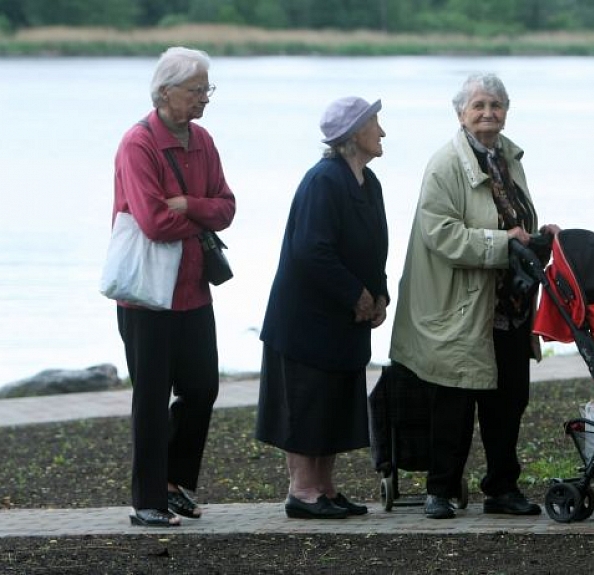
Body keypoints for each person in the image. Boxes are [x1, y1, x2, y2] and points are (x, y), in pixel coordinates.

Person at [389, 72, 559, 519]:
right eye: (479, 106)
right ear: (460, 113)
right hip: (462, 305)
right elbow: (441, 234)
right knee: (454, 405)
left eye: (496, 106)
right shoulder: (445, 164)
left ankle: (502, 489)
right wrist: (505, 243)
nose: (489, 113)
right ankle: (440, 491)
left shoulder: (509, 157)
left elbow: (514, 218)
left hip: (510, 306)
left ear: (507, 111)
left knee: (508, 405)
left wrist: (541, 236)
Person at [112, 46, 236, 527]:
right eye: (197, 89)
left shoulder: (203, 140)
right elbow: (153, 222)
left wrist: (187, 203)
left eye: (207, 89)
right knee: (150, 397)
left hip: (192, 289)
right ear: (165, 92)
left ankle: (174, 482)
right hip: (146, 294)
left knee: (203, 387)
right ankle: (147, 501)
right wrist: (191, 209)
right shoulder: (137, 144)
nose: (205, 98)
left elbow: (226, 207)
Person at [256, 96, 388, 519]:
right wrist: (356, 294)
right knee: (308, 402)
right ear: (353, 136)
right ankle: (303, 491)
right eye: (375, 124)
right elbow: (311, 250)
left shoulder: (369, 182)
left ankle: (326, 488)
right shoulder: (323, 180)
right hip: (307, 320)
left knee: (335, 401)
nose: (382, 132)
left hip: (345, 320)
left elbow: (376, 248)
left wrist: (380, 292)